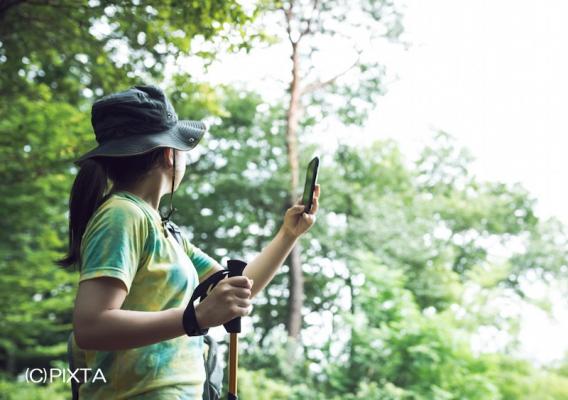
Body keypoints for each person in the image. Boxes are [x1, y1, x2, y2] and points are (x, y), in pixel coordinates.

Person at [57, 85, 320, 399]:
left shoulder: (164, 230)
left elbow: (238, 289)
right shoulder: (122, 215)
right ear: (169, 154)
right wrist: (195, 317)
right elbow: (91, 327)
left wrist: (288, 234)